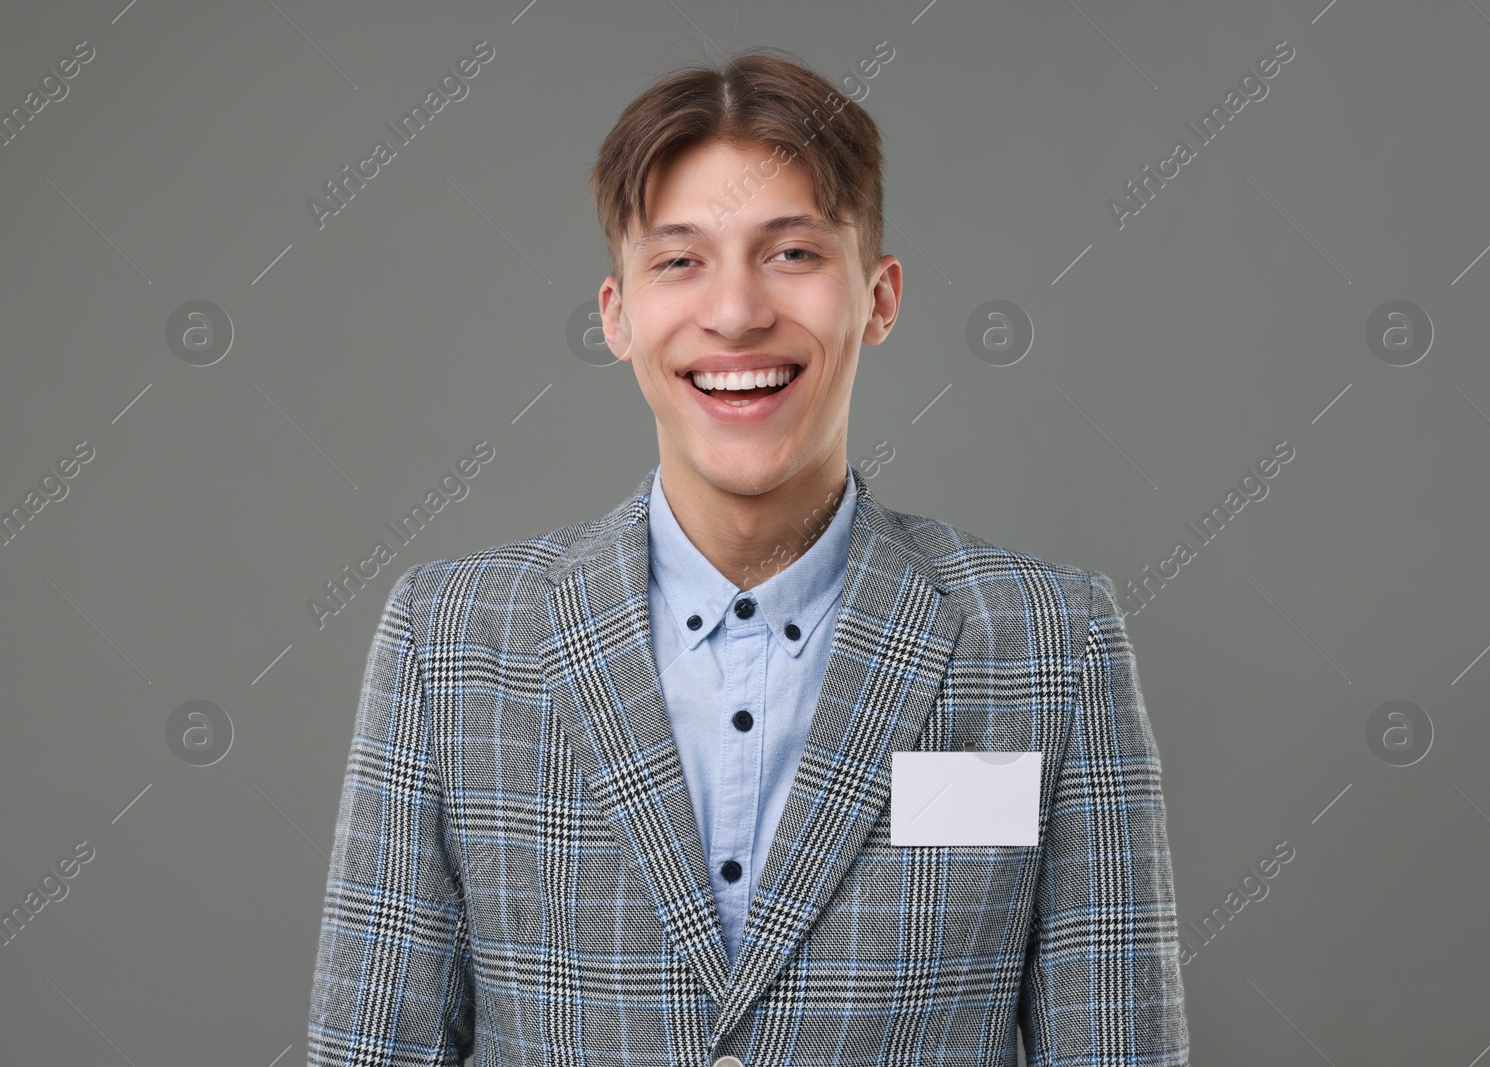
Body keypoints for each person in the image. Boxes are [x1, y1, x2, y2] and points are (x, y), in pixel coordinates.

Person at [307, 45, 1188, 1067]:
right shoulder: (451, 638)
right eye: (679, 260)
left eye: (793, 253)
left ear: (879, 296)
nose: (734, 312)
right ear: (618, 314)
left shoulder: (1050, 639)